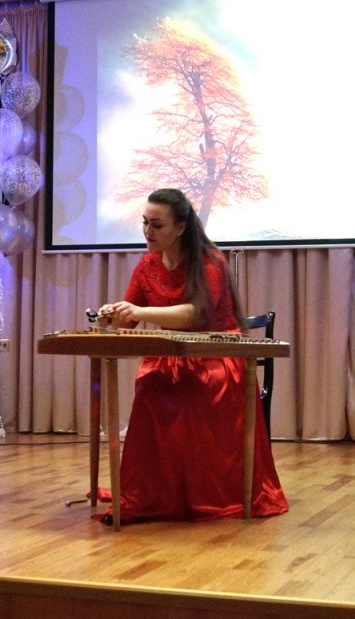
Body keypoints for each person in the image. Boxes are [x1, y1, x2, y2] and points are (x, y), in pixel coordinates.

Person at [97, 188, 288, 523]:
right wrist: (112, 314)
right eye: (144, 222)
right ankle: (151, 493)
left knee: (199, 387)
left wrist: (140, 310)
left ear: (181, 227)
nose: (147, 231)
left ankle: (202, 493)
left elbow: (197, 314)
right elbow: (131, 317)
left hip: (216, 353)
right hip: (171, 353)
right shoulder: (147, 265)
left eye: (157, 225)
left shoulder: (210, 262)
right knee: (150, 384)